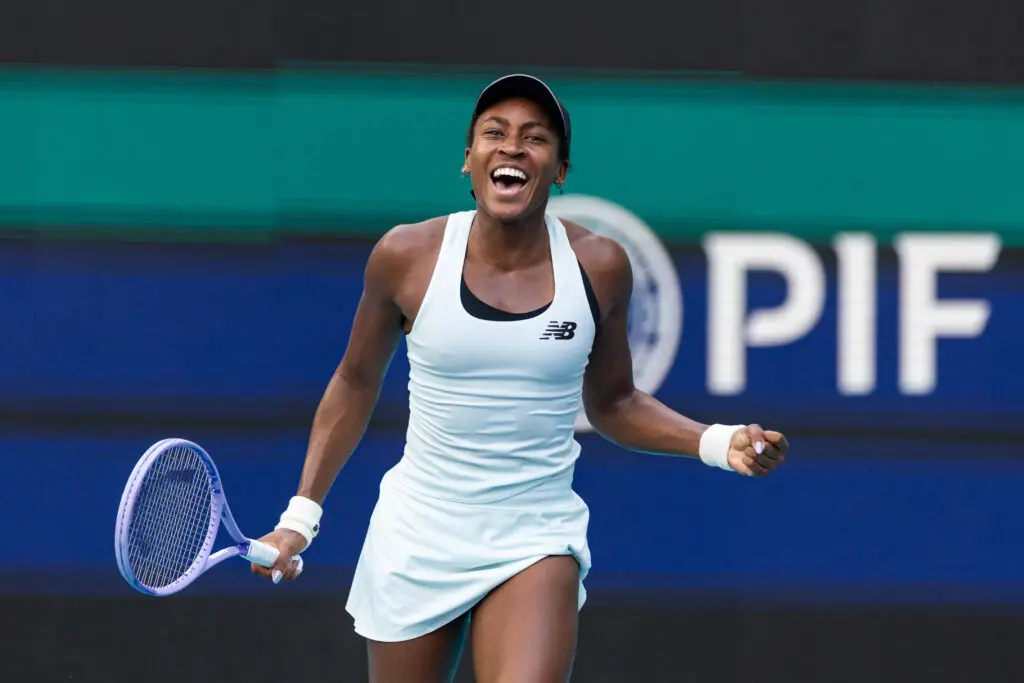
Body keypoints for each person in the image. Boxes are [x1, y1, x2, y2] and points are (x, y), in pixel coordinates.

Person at [251, 73, 789, 683]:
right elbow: (353, 383)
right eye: (494, 133)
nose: (512, 147)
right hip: (418, 530)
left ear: (559, 170)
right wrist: (300, 519)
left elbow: (613, 402)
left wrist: (718, 442)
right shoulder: (406, 256)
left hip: (535, 532)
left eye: (535, 138)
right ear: (468, 160)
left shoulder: (601, 266)